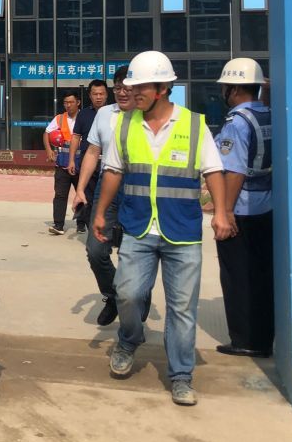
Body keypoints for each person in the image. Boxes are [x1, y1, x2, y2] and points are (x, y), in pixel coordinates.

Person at [93, 51, 232, 406]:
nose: (132, 91)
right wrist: (100, 212)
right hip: (138, 227)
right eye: (131, 86)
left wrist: (221, 212)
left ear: (163, 88)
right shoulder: (124, 125)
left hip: (182, 232)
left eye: (141, 86)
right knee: (127, 294)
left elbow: (213, 171)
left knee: (182, 308)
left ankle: (182, 375)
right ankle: (129, 339)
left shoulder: (195, 126)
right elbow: (113, 171)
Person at [214, 58, 274, 358]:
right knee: (262, 274)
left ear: (234, 89)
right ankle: (264, 337)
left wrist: (224, 212)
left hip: (242, 209)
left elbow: (234, 170)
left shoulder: (236, 122)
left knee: (237, 277)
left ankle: (245, 339)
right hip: (267, 206)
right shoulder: (269, 114)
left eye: (226, 86)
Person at [73, 67, 137, 325]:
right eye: (118, 87)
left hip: (138, 189)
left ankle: (136, 299)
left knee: (132, 254)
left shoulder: (146, 115)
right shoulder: (104, 114)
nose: (122, 92)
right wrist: (80, 188)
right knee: (95, 250)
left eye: (128, 88)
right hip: (106, 186)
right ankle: (114, 295)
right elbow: (92, 152)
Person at [66, 81, 106, 233]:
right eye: (95, 94)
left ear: (106, 95)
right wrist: (71, 160)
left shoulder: (113, 113)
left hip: (108, 162)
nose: (98, 97)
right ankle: (92, 231)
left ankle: (106, 229)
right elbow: (76, 137)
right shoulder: (83, 114)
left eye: (101, 94)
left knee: (107, 197)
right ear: (90, 95)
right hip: (88, 162)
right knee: (87, 197)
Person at [44, 89, 83, 235]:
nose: (68, 105)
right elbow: (47, 133)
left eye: (71, 102)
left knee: (82, 193)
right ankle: (58, 225)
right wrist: (49, 150)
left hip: (81, 164)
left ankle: (81, 223)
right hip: (62, 163)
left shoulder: (84, 117)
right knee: (60, 195)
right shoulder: (59, 118)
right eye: (66, 102)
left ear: (78, 102)